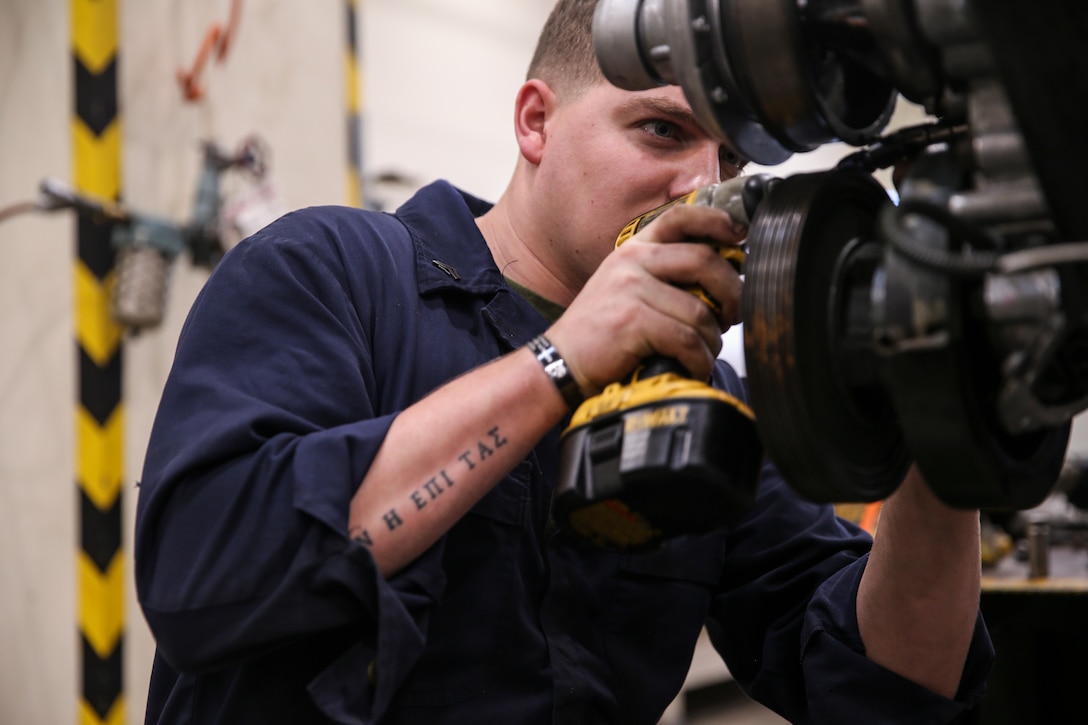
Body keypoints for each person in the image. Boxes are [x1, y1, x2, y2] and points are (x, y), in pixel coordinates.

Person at [134, 0, 993, 722]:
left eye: (728, 158)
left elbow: (885, 688)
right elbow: (201, 576)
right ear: (535, 121)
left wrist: (943, 427)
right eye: (661, 130)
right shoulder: (336, 271)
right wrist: (561, 362)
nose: (702, 187)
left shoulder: (701, 398)